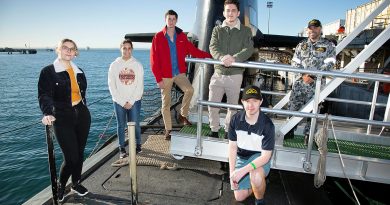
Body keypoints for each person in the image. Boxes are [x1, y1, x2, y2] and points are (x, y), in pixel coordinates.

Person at [38, 38, 91, 202]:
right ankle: (61, 185)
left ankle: (76, 183)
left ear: (75, 53)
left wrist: (83, 109)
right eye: (65, 48)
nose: (69, 51)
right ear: (58, 50)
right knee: (71, 157)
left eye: (72, 48)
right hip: (62, 117)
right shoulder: (48, 71)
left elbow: (82, 94)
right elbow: (44, 94)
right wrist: (47, 112)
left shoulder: (79, 71)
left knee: (80, 153)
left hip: (82, 115)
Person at [150, 9, 212, 140]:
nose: (171, 21)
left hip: (178, 73)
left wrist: (208, 56)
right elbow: (154, 60)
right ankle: (168, 130)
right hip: (165, 76)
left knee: (189, 90)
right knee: (165, 104)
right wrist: (158, 78)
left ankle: (182, 114)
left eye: (173, 19)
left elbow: (193, 50)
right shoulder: (158, 37)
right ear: (165, 20)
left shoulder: (182, 36)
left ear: (176, 20)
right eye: (169, 19)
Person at [208, 0, 254, 139]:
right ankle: (214, 129)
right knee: (212, 104)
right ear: (223, 13)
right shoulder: (217, 29)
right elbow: (213, 47)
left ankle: (228, 129)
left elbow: (249, 48)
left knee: (232, 106)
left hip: (235, 75)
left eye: (233, 10)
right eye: (228, 10)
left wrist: (234, 58)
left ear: (238, 13)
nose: (230, 13)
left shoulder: (246, 30)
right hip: (218, 73)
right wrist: (222, 57)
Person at [286, 19, 336, 144]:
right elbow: (294, 62)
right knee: (292, 107)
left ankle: (308, 136)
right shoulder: (301, 45)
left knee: (314, 111)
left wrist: (312, 76)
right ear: (307, 29)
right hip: (299, 84)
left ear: (320, 29)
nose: (312, 30)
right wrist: (303, 75)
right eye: (310, 28)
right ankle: (289, 130)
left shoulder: (328, 45)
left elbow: (330, 63)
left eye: (315, 27)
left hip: (316, 85)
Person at [228, 85, 275, 205]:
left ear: (261, 102)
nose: (251, 105)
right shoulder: (235, 119)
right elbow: (233, 147)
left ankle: (259, 200)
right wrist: (232, 173)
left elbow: (265, 157)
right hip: (242, 157)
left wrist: (242, 171)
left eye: (255, 101)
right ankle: (257, 186)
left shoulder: (267, 125)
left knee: (256, 175)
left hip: (258, 157)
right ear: (242, 102)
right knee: (239, 197)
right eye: (247, 101)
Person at [108, 39, 144, 158]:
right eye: (124, 48)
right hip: (119, 102)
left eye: (129, 48)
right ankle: (122, 149)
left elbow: (140, 85)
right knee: (121, 125)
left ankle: (138, 145)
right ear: (121, 49)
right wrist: (122, 102)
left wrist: (131, 101)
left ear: (132, 49)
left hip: (135, 101)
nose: (127, 51)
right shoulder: (114, 65)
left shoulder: (137, 65)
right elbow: (111, 85)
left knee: (135, 124)